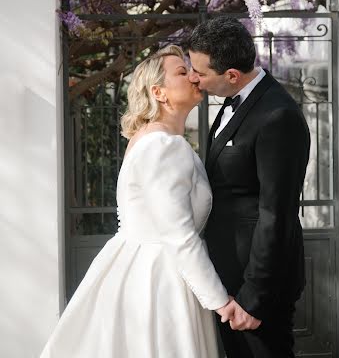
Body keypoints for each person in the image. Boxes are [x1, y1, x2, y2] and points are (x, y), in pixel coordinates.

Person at [39, 45, 237, 358]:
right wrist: (220, 300)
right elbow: (178, 234)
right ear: (159, 92)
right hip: (157, 282)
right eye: (182, 72)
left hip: (149, 269)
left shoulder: (159, 140)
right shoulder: (161, 145)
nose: (195, 77)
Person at [188, 17, 311, 358]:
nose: (193, 77)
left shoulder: (277, 116)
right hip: (229, 277)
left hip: (257, 286)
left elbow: (276, 215)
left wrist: (254, 298)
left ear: (232, 75)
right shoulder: (233, 99)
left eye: (200, 71)